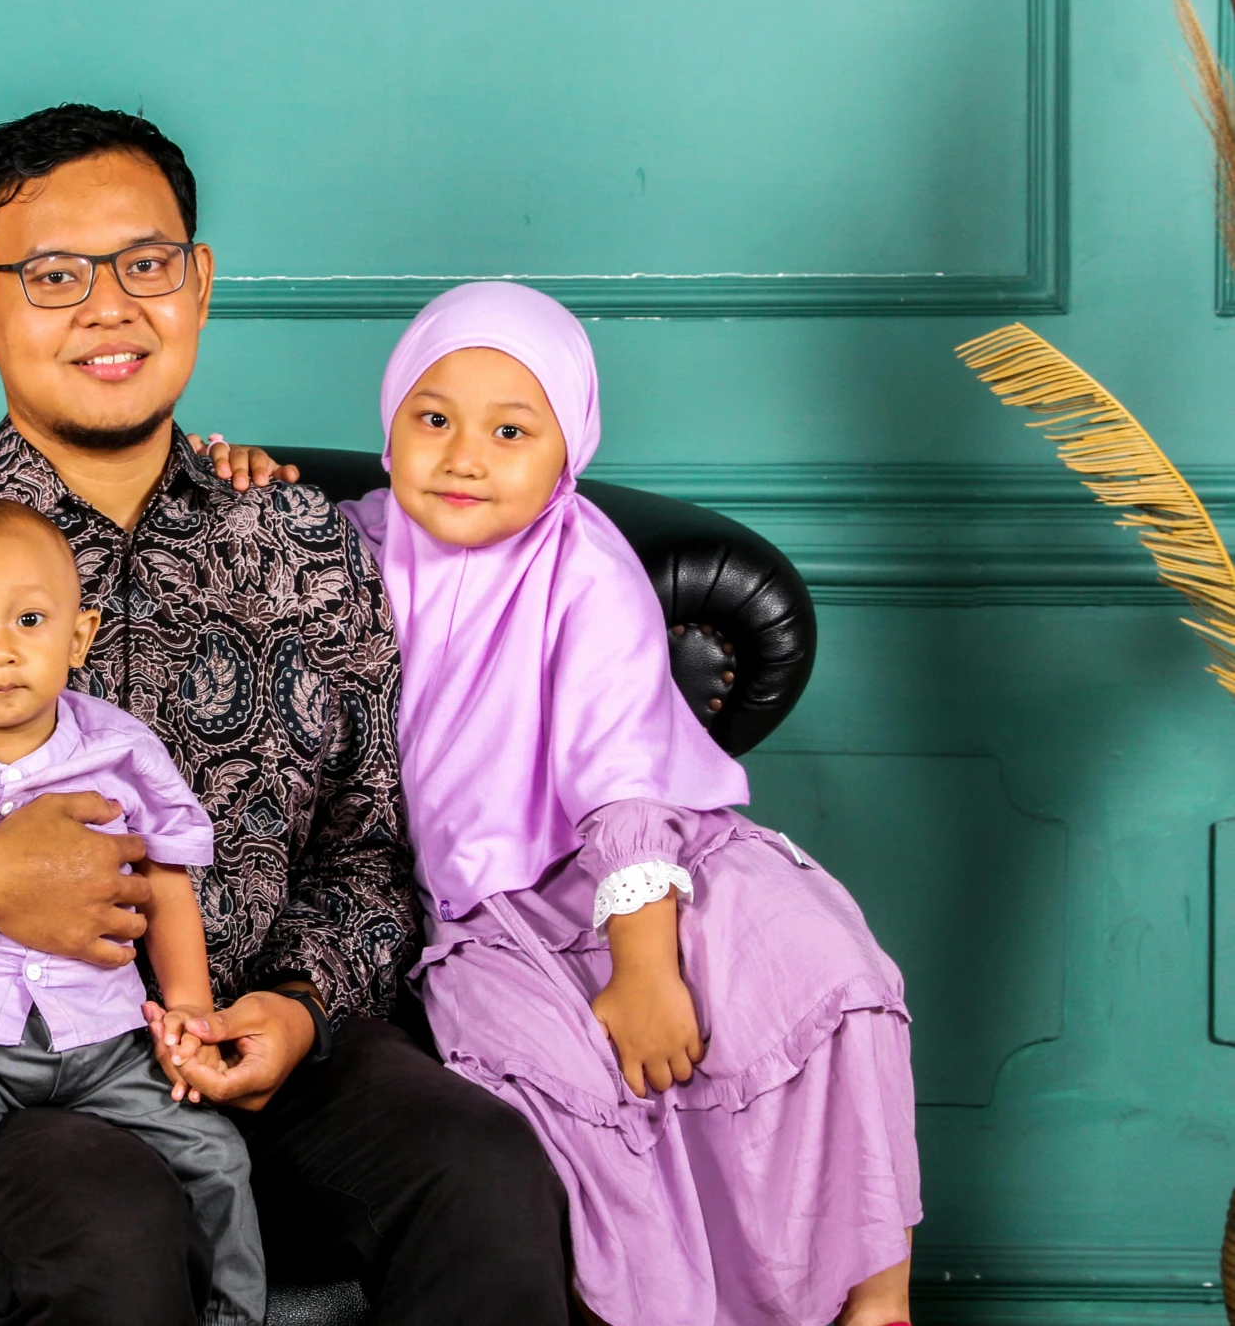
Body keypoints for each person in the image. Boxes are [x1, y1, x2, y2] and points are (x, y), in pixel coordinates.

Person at [0, 104, 572, 1326]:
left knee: (484, 1167)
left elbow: (370, 852)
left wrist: (295, 1009)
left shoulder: (300, 539)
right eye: (51, 276)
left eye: (145, 265)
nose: (108, 308)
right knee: (108, 1207)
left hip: (239, 1035)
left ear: (196, 283)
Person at [342, 281, 918, 1326]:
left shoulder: (585, 565)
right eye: (432, 419)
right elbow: (207, 523)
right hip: (490, 912)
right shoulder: (347, 548)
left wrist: (644, 962)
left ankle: (877, 1299)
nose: (463, 455)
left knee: (817, 968)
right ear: (389, 423)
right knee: (552, 1083)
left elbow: (618, 775)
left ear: (564, 453)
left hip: (649, 852)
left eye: (509, 430)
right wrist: (229, 469)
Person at [0, 497, 264, 1326]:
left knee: (218, 1162)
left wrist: (188, 1009)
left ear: (78, 636)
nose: (0, 650)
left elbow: (167, 877)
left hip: (107, 1040)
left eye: (29, 619)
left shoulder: (122, 749)